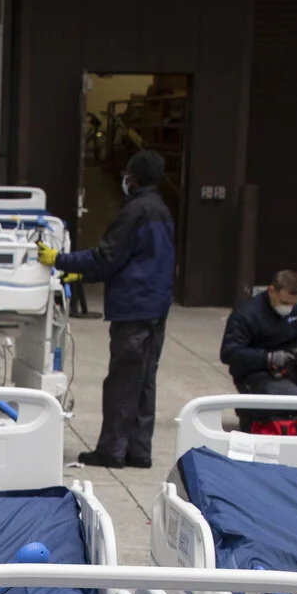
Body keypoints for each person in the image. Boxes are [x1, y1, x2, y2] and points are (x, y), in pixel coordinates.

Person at [41, 150, 176, 470]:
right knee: (144, 380)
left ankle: (112, 450)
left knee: (122, 382)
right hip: (156, 305)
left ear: (133, 177)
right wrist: (83, 272)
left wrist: (59, 259)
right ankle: (139, 450)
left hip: (135, 307)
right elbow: (135, 258)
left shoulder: (135, 211)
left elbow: (108, 257)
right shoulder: (161, 209)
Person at [221, 268, 297, 398]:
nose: (288, 307)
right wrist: (268, 358)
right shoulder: (246, 315)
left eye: (292, 303)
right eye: (284, 302)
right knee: (296, 400)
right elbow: (229, 353)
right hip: (256, 375)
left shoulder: (293, 309)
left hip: (286, 368)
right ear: (271, 291)